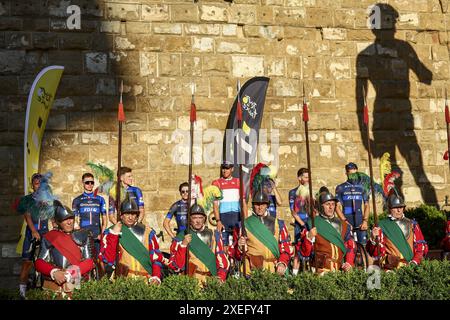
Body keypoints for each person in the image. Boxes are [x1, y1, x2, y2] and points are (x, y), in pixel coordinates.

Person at [99, 198, 185, 284]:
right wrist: (114, 235)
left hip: (145, 280)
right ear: (121, 215)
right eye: (127, 213)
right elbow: (108, 260)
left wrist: (156, 276)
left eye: (133, 214)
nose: (130, 217)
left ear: (137, 216)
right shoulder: (109, 233)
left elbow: (156, 258)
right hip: (123, 281)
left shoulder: (149, 233)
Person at [34, 200, 95, 297]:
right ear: (58, 222)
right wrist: (54, 272)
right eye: (65, 219)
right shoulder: (49, 237)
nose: (69, 222)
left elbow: (89, 262)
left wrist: (70, 273)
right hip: (54, 286)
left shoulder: (83, 235)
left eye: (71, 218)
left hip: (77, 283)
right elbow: (39, 262)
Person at [230, 191, 293, 275]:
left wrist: (282, 263)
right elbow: (235, 254)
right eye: (257, 204)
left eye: (263, 204)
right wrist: (239, 246)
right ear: (253, 205)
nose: (260, 207)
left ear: (267, 205)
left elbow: (286, 248)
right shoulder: (243, 225)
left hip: (274, 268)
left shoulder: (278, 224)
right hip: (251, 270)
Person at [298, 192, 355, 275]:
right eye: (327, 204)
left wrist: (348, 263)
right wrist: (309, 238)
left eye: (333, 204)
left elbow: (350, 246)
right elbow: (304, 253)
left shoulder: (343, 225)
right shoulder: (312, 224)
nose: (331, 207)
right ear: (321, 206)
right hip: (320, 271)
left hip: (339, 270)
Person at [367, 194, 428, 269]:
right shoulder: (381, 226)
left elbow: (420, 247)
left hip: (412, 267)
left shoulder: (413, 225)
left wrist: (415, 262)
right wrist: (373, 239)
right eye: (395, 207)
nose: (399, 210)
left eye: (401, 207)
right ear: (389, 209)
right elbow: (375, 253)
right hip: (391, 269)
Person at [171, 204, 229, 283]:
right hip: (192, 280)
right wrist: (183, 245)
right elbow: (176, 266)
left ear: (204, 219)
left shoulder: (214, 235)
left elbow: (222, 259)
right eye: (194, 218)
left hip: (211, 278)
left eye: (200, 218)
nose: (198, 221)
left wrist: (220, 277)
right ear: (189, 219)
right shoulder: (180, 237)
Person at [17, 173, 49, 299]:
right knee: (27, 263)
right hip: (32, 233)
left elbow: (52, 216)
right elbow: (27, 215)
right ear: (33, 185)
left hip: (45, 234)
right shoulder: (27, 199)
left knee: (45, 262)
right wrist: (34, 231)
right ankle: (22, 293)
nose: (39, 186)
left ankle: (44, 291)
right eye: (37, 184)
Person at [212, 161, 247, 249]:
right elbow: (215, 205)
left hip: (237, 216)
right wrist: (218, 220)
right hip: (224, 217)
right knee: (224, 246)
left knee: (239, 243)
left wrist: (246, 220)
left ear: (232, 169)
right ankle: (226, 262)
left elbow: (243, 202)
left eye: (227, 168)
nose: (225, 171)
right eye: (223, 168)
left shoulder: (238, 181)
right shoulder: (216, 183)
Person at [72, 173, 107, 258]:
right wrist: (79, 234)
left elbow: (105, 220)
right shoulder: (77, 200)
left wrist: (102, 235)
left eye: (92, 182)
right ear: (83, 183)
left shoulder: (100, 199)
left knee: (99, 261)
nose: (90, 184)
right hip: (84, 236)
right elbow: (74, 220)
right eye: (87, 182)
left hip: (97, 235)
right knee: (85, 261)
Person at [335, 162, 369, 245]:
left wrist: (365, 221)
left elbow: (367, 205)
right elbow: (337, 207)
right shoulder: (340, 187)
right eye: (350, 174)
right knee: (348, 248)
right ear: (346, 173)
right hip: (347, 221)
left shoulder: (363, 187)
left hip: (360, 223)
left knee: (363, 248)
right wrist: (344, 221)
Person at [288, 168, 311, 275]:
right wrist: (303, 224)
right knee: (298, 249)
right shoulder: (293, 192)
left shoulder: (311, 191)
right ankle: (294, 276)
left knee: (313, 249)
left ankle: (313, 274)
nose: (308, 179)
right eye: (306, 177)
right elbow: (293, 212)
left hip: (310, 223)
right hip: (300, 224)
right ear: (299, 178)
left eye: (308, 177)